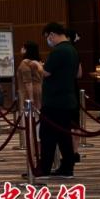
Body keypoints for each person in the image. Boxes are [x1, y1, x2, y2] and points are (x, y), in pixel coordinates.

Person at [35, 22, 79, 178]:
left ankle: (44, 168)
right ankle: (67, 167)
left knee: (47, 136)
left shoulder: (58, 51)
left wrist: (38, 65)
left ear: (52, 35)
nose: (48, 41)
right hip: (67, 99)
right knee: (63, 136)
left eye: (47, 37)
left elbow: (46, 72)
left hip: (54, 101)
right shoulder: (72, 50)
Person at [17, 42, 43, 110]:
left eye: (23, 48)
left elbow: (28, 82)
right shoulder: (38, 62)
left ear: (27, 50)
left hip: (28, 91)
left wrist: (31, 98)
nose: (21, 49)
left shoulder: (25, 63)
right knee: (38, 110)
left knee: (29, 113)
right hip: (38, 89)